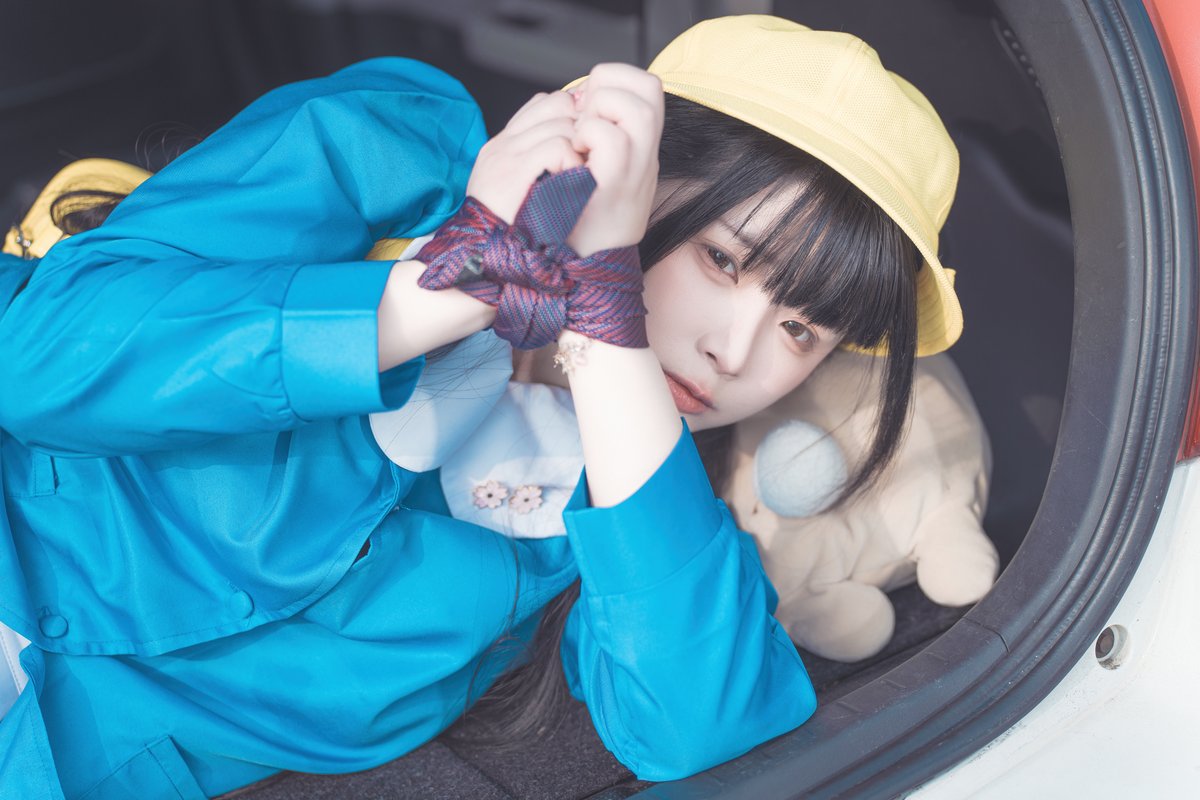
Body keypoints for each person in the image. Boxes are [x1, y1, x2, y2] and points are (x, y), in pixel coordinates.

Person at [0, 14, 962, 799]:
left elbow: (706, 734)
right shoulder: (397, 150)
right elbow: (40, 356)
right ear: (626, 161)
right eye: (721, 258)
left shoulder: (631, 522)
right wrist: (454, 283)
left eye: (802, 330)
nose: (736, 352)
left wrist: (607, 313)